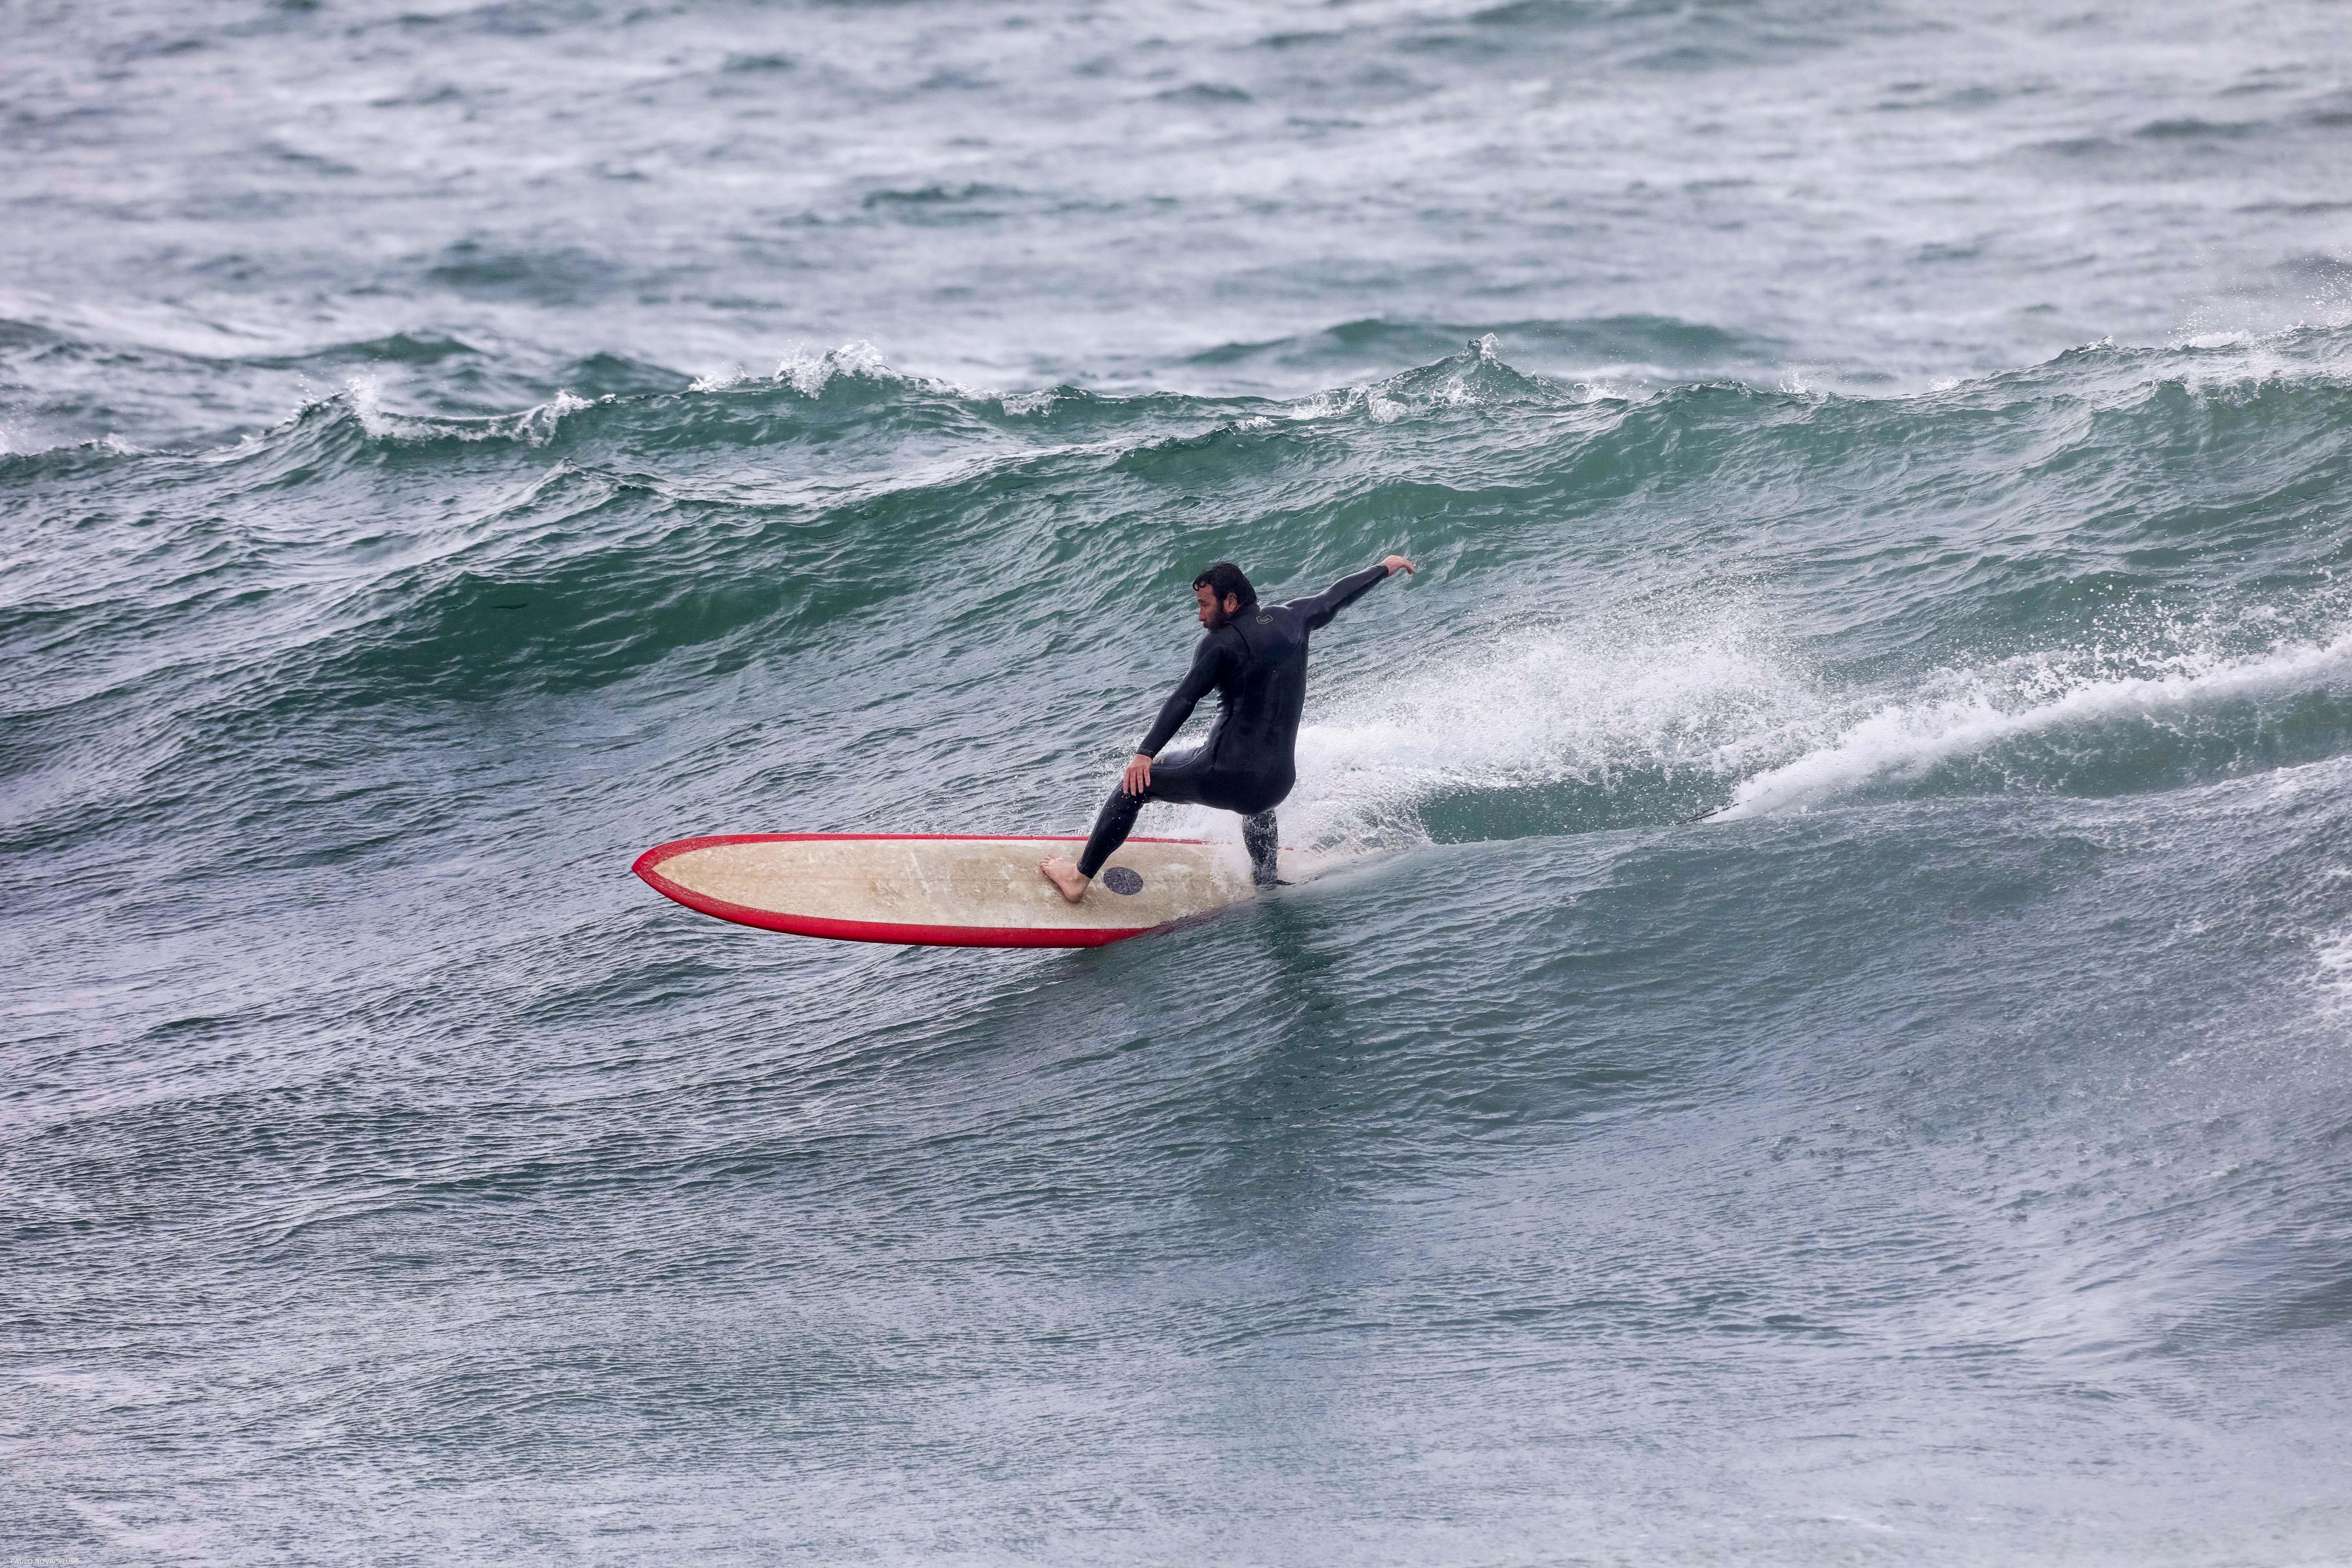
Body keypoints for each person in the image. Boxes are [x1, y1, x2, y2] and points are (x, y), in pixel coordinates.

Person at [1041, 553, 1417, 903]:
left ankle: (1077, 880)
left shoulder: (1219, 645)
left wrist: (1145, 754)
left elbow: (1184, 700)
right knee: (1258, 801)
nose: (1200, 616)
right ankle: (1267, 880)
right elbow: (1338, 595)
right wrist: (1384, 567)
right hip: (1277, 784)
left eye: (1205, 605)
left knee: (1135, 786)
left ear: (1232, 602)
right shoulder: (1295, 618)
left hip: (1226, 777)